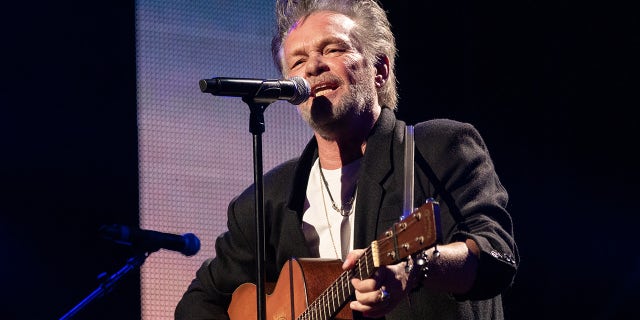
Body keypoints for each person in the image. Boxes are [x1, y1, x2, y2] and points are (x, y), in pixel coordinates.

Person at [175, 0, 519, 319]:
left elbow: (496, 255)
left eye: (332, 49)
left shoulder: (437, 149)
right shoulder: (267, 200)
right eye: (297, 61)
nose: (312, 66)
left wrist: (417, 266)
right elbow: (197, 304)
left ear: (379, 69)